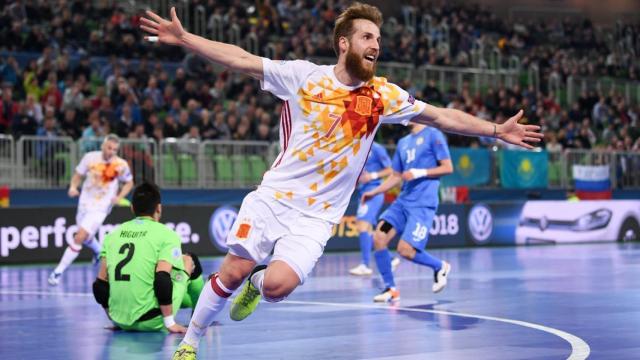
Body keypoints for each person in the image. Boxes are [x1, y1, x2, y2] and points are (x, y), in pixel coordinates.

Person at [140, 4, 542, 359]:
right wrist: (186, 38)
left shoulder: (383, 95)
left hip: (318, 216)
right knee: (230, 271)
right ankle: (189, 343)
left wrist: (494, 130)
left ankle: (257, 285)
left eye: (379, 38)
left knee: (278, 286)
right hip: (275, 197)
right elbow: (241, 59)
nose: (376, 44)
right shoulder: (303, 77)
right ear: (344, 44)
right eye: (367, 36)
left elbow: (439, 116)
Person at [92, 182, 205, 332]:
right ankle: (201, 316)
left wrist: (114, 318)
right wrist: (170, 323)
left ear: (132, 208)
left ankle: (191, 303)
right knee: (189, 260)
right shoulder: (167, 234)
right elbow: (162, 280)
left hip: (120, 321)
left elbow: (99, 286)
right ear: (159, 208)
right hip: (152, 321)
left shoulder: (111, 235)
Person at [362, 123, 453, 302]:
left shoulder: (433, 135)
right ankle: (391, 289)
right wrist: (375, 192)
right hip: (402, 203)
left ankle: (440, 266)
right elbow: (396, 176)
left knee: (405, 250)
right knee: (379, 236)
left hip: (422, 204)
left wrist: (420, 172)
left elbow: (448, 167)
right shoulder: (403, 142)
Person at [48, 134, 134, 285]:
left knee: (80, 236)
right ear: (103, 146)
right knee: (86, 236)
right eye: (109, 148)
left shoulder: (121, 165)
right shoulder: (90, 158)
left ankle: (57, 272)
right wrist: (73, 187)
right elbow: (78, 175)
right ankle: (99, 252)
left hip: (102, 207)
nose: (111, 151)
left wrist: (119, 197)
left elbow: (129, 182)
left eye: (114, 149)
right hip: (84, 202)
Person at [349, 141, 397, 276]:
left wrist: (372, 176)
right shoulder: (356, 148)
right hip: (362, 192)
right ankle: (390, 259)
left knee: (362, 226)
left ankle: (365, 264)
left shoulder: (377, 148)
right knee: (372, 231)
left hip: (374, 191)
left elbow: (391, 169)